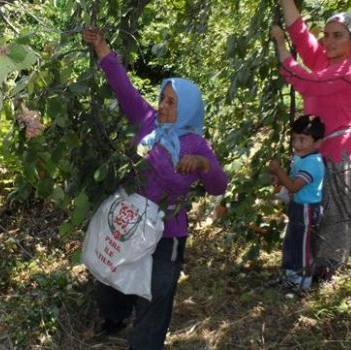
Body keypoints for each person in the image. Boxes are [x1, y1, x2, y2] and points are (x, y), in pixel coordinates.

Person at [83, 28, 228, 350]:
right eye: (163, 98)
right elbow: (124, 89)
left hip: (166, 232)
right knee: (111, 270)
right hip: (130, 219)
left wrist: (204, 166)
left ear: (188, 108)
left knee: (157, 292)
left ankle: (144, 344)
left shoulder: (198, 145)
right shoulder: (149, 123)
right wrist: (102, 47)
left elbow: (219, 186)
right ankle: (115, 318)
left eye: (172, 102)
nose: (163, 106)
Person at [271, 0, 351, 280]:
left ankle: (324, 271)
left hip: (340, 156)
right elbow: (300, 33)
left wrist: (282, 50)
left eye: (338, 35)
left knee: (334, 218)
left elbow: (308, 83)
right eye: (326, 34)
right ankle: (309, 264)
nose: (328, 40)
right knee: (312, 211)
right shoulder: (325, 59)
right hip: (316, 154)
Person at [268, 115, 325, 293]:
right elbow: (290, 181)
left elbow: (294, 186)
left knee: (304, 247)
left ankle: (303, 283)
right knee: (292, 242)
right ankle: (291, 277)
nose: (297, 144)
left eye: (303, 140)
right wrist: (278, 178)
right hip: (298, 207)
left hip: (308, 209)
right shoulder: (301, 158)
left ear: (317, 143)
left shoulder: (313, 163)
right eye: (294, 139)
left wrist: (278, 171)